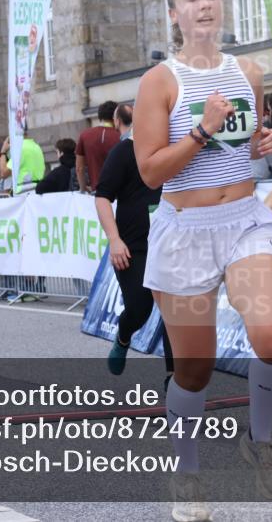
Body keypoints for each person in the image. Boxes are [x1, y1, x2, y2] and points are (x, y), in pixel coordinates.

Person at [133, 0, 272, 521]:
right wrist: (199, 130)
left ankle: (260, 437)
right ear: (174, 13)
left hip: (245, 221)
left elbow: (244, 144)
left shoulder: (248, 71)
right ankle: (186, 471)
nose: (205, 5)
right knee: (194, 370)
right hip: (185, 233)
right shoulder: (160, 82)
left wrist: (266, 142)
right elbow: (152, 174)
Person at [94, 113, 175, 379]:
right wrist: (114, 240)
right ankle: (124, 336)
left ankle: (175, 378)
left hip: (169, 243)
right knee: (140, 307)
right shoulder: (124, 152)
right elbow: (103, 197)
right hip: (132, 246)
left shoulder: (174, 150)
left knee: (174, 311)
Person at [76, 100, 120, 193]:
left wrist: (83, 188)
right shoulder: (121, 135)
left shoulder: (85, 135)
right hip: (120, 191)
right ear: (116, 116)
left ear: (99, 116)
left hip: (98, 191)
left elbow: (79, 168)